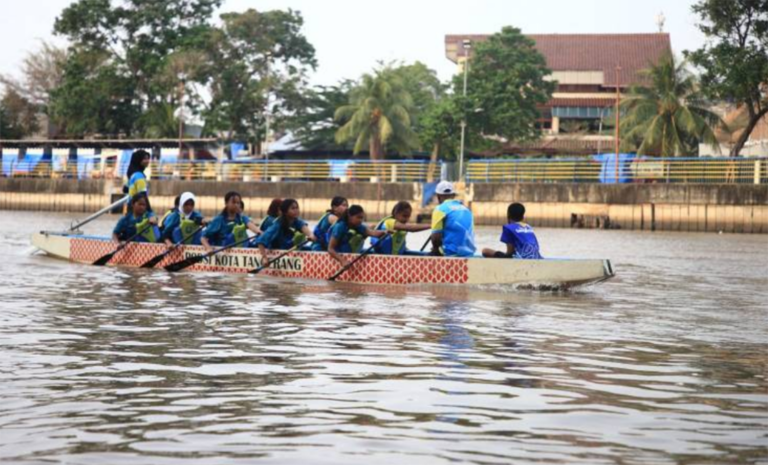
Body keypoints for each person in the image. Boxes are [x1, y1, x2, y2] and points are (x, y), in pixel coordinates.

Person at [256, 199, 317, 266]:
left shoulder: (297, 221)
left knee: (312, 249)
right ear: (285, 212)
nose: (296, 210)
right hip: (278, 249)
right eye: (293, 208)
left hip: (290, 249)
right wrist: (264, 258)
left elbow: (307, 230)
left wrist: (311, 235)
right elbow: (260, 241)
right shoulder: (277, 225)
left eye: (297, 208)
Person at [430, 181, 476, 257]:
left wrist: (435, 250)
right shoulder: (467, 210)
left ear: (438, 196)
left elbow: (436, 239)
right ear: (453, 195)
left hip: (450, 254)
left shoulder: (440, 209)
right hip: (469, 253)